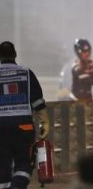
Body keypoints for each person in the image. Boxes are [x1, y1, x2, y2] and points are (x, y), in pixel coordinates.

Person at [0, 41, 50, 189]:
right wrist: (45, 123)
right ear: (15, 55)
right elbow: (38, 102)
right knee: (24, 164)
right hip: (24, 127)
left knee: (2, 165)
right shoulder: (27, 73)